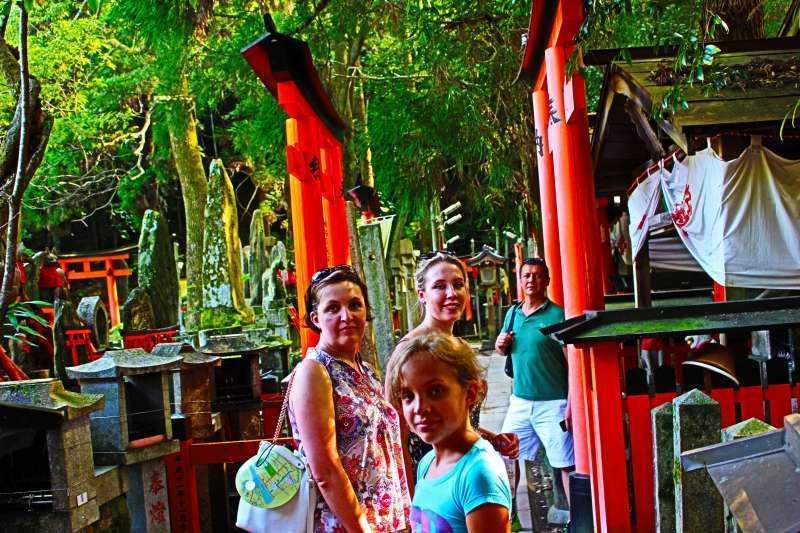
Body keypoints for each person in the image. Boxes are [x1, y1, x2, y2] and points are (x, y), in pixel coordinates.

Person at [288, 265, 410, 532]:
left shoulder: (364, 370)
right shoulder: (314, 372)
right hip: (346, 524)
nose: (347, 316)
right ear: (315, 318)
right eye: (332, 308)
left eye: (355, 305)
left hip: (387, 519)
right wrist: (360, 528)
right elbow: (326, 473)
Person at [386, 251, 519, 486]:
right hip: (431, 473)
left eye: (458, 285)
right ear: (422, 295)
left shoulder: (461, 346)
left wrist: (492, 438)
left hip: (468, 467)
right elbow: (395, 434)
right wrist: (411, 499)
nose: (451, 294)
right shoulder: (410, 352)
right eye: (439, 286)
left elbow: (455, 419)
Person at [386, 331, 512, 533]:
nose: (419, 407)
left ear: (469, 393)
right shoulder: (427, 464)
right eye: (408, 395)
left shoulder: (478, 474)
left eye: (435, 391)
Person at [495, 258, 574, 524]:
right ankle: (508, 514)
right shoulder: (513, 313)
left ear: (547, 281)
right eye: (527, 275)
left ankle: (577, 516)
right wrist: (500, 344)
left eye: (538, 275)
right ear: (520, 281)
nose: (531, 280)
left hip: (553, 402)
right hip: (519, 400)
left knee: (564, 462)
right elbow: (503, 349)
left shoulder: (557, 315)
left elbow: (571, 361)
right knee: (506, 454)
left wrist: (572, 402)